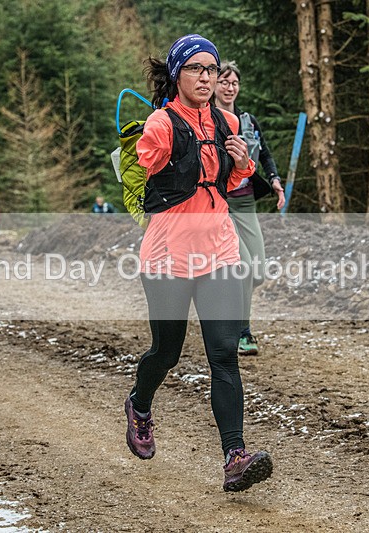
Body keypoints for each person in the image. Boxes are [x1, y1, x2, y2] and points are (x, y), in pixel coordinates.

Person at [124, 34, 273, 492]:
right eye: (195, 68)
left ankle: (235, 456)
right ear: (177, 75)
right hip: (168, 254)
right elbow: (148, 166)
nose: (206, 77)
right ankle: (140, 404)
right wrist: (162, 145)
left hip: (220, 251)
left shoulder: (228, 122)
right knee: (166, 352)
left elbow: (233, 178)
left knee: (224, 354)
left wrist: (242, 162)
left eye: (212, 69)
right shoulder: (161, 122)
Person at [213, 61, 285, 356]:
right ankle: (242, 333)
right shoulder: (207, 119)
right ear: (214, 86)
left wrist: (275, 180)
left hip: (246, 202)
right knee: (242, 268)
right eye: (224, 82)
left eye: (234, 83)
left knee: (257, 272)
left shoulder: (247, 120)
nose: (229, 88)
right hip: (220, 203)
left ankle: (226, 306)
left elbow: (264, 153)